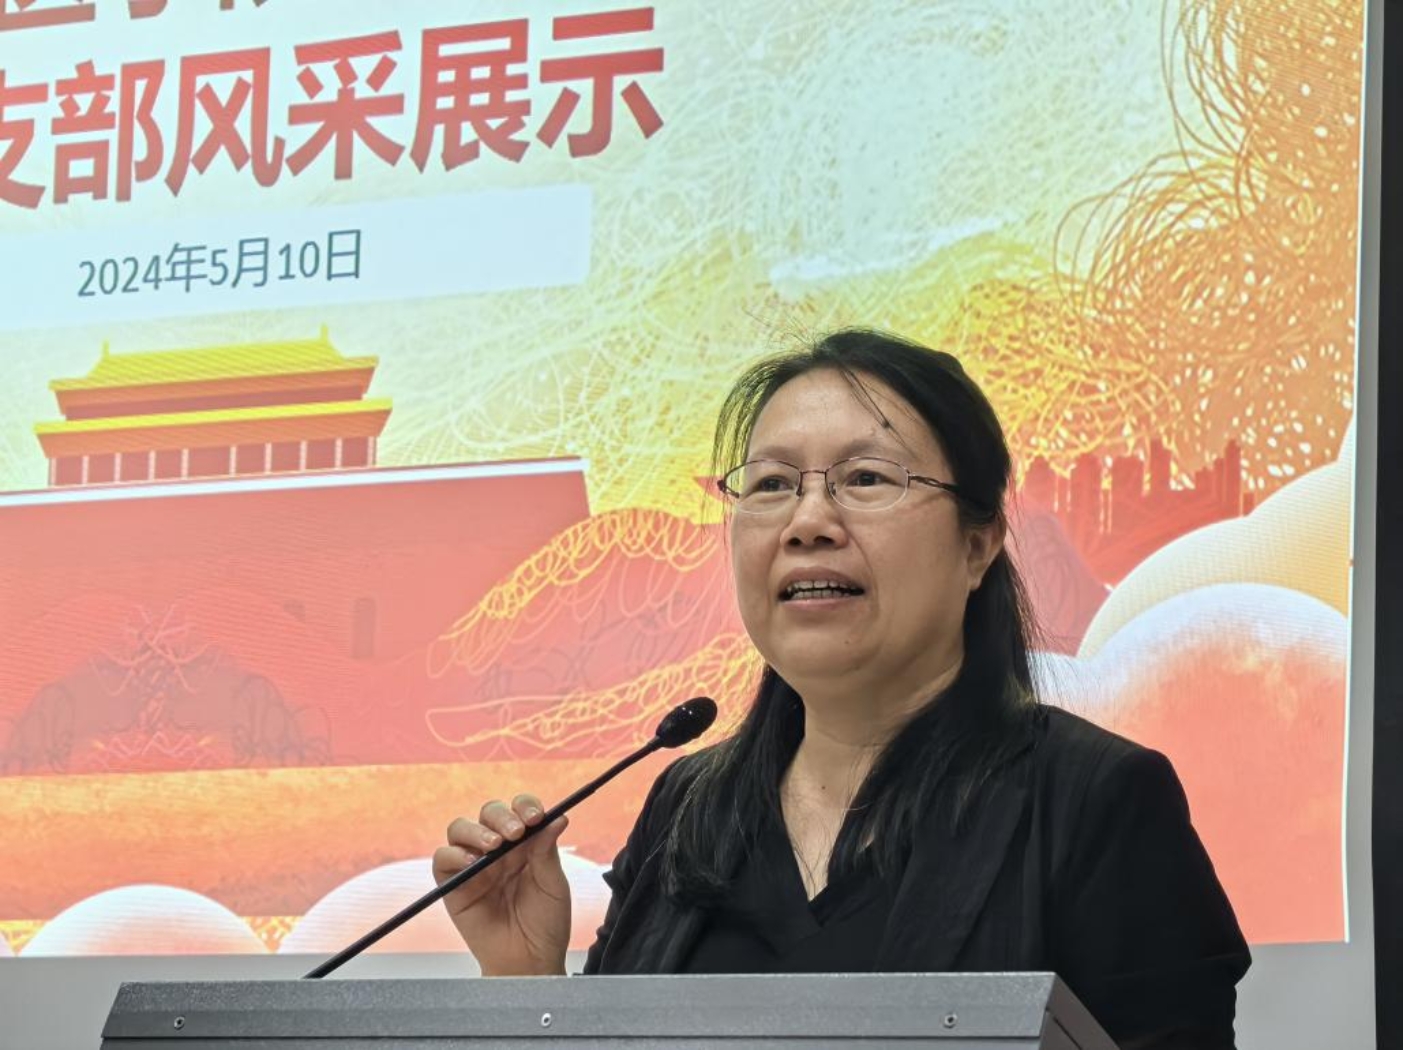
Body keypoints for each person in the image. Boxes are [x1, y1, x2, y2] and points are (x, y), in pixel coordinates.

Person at [433, 328, 1251, 1049]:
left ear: (976, 545)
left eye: (864, 479)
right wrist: (526, 984)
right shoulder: (686, 808)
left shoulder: (1094, 800)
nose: (807, 522)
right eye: (771, 485)